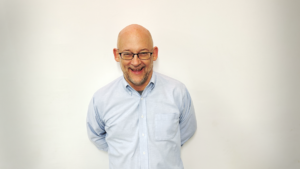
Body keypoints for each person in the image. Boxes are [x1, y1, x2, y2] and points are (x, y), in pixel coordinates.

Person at [86, 24, 197, 169]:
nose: (136, 62)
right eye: (127, 54)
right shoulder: (101, 99)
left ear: (154, 53)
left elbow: (186, 130)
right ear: (116, 55)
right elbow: (97, 136)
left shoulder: (178, 92)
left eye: (143, 53)